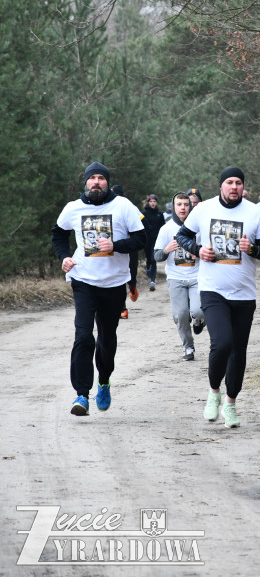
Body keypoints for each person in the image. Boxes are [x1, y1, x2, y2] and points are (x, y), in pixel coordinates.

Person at [176, 165, 260, 428]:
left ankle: (230, 403)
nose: (234, 187)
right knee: (222, 343)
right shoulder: (204, 209)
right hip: (212, 290)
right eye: (229, 182)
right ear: (221, 185)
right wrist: (198, 250)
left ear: (243, 187)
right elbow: (182, 235)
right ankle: (213, 393)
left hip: (244, 294)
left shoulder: (255, 212)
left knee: (238, 350)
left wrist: (252, 248)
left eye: (238, 183)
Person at [51, 162, 146, 416]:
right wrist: (64, 257)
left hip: (113, 282)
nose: (96, 182)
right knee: (83, 335)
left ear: (107, 182)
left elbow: (140, 239)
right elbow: (58, 234)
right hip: (82, 279)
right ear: (85, 183)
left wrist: (115, 246)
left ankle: (104, 380)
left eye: (100, 178)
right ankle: (82, 394)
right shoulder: (73, 208)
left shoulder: (123, 206)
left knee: (107, 338)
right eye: (92, 178)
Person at [154, 191, 205, 362]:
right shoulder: (166, 228)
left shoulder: (199, 225)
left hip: (197, 276)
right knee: (180, 315)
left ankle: (199, 320)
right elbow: (156, 256)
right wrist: (166, 250)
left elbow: (210, 249)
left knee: (198, 310)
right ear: (173, 206)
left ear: (190, 206)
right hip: (176, 278)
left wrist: (200, 253)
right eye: (179, 205)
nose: (183, 208)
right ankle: (188, 346)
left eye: (186, 204)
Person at [111, 184, 140, 319]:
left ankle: (133, 286)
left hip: (130, 246)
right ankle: (122, 308)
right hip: (113, 248)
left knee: (131, 273)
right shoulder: (106, 207)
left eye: (115, 193)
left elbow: (142, 225)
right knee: (120, 276)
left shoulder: (129, 207)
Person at [142, 194, 165, 290]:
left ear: (157, 202)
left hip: (156, 240)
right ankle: (148, 268)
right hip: (146, 240)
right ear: (148, 202)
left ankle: (152, 281)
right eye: (151, 201)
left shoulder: (160, 214)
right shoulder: (143, 214)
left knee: (153, 259)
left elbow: (163, 227)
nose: (153, 203)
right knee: (148, 259)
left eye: (154, 201)